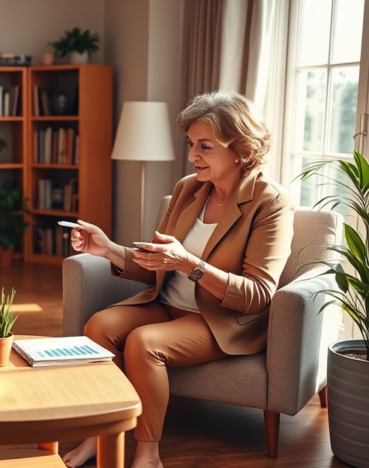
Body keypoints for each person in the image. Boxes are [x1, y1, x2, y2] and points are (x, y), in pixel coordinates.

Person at [62, 90, 294, 468]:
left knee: (143, 342)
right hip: (165, 305)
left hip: (220, 320)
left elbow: (258, 295)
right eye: (190, 144)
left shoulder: (270, 203)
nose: (192, 156)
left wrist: (190, 264)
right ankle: (99, 436)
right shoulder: (189, 189)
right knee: (99, 326)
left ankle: (148, 453)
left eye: (205, 146)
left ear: (241, 149)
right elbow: (156, 263)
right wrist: (107, 249)